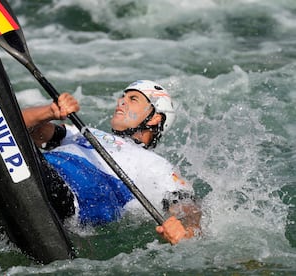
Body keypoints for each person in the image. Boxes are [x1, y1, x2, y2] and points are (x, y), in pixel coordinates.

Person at [22, 80, 201, 245]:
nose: (121, 102)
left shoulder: (156, 164)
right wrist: (50, 112)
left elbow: (188, 207)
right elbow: (19, 127)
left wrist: (185, 231)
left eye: (133, 99)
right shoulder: (83, 132)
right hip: (40, 168)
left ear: (155, 118)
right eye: (122, 97)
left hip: (66, 198)